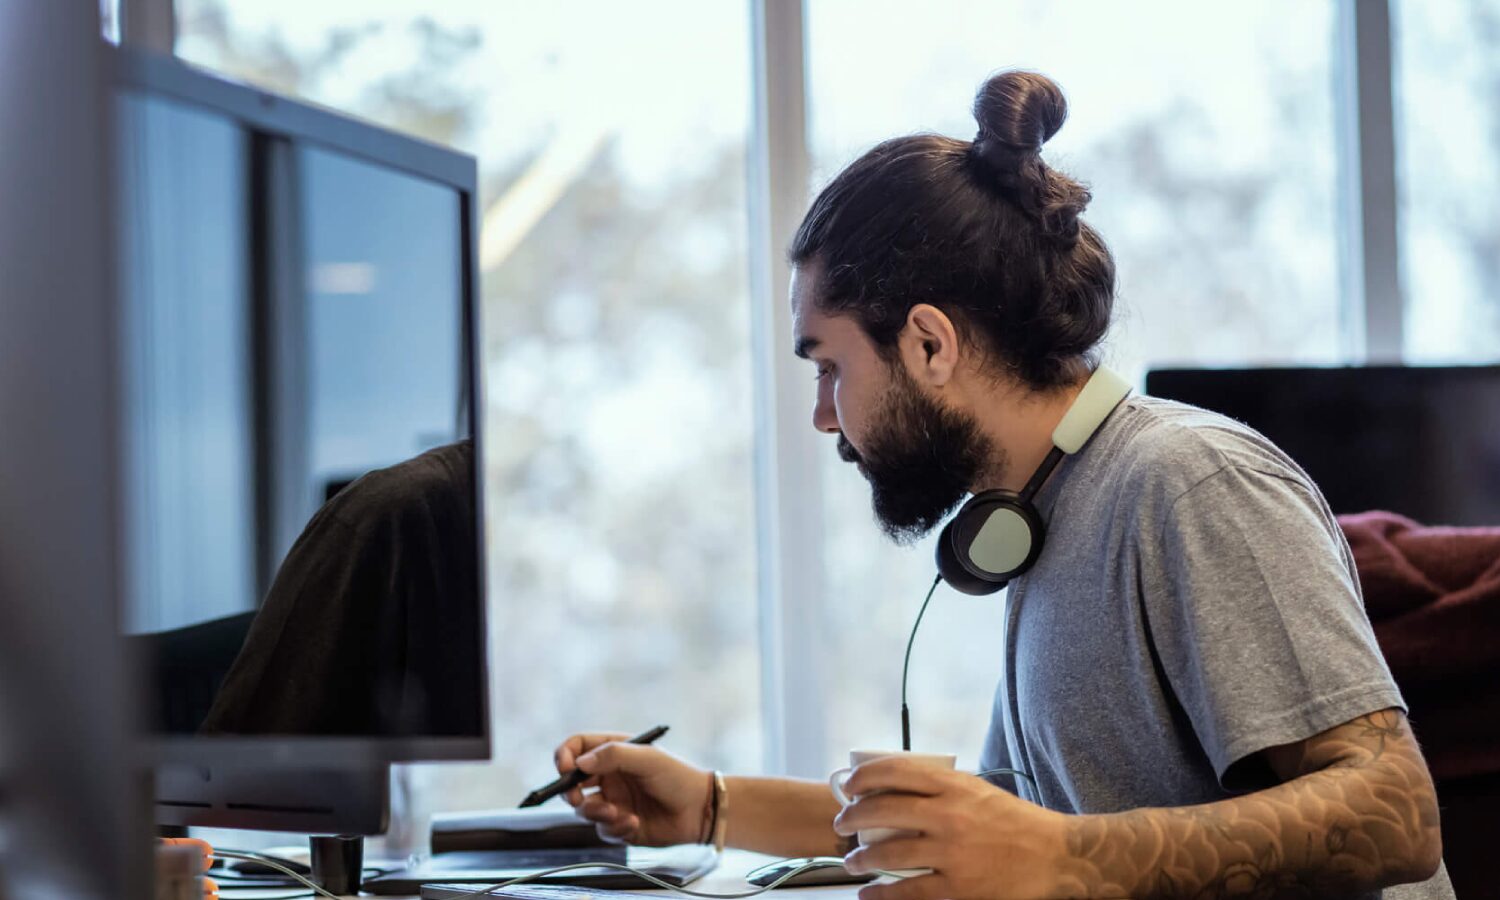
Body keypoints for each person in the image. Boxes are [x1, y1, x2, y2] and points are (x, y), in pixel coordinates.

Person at [549, 71, 1451, 899]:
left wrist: (1058, 858)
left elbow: (1396, 812)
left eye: (829, 368)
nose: (825, 416)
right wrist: (711, 806)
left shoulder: (1186, 480)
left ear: (930, 345)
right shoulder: (1044, 514)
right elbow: (992, 823)